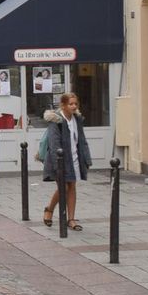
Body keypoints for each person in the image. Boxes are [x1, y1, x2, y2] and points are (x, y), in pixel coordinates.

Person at [42, 93, 92, 231]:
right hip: (60, 159)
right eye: (71, 104)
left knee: (72, 186)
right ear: (63, 105)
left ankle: (71, 219)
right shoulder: (56, 120)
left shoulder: (77, 119)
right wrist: (58, 164)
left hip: (74, 158)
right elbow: (53, 144)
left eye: (76, 104)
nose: (74, 106)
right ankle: (49, 209)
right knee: (63, 187)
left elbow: (82, 140)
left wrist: (86, 158)